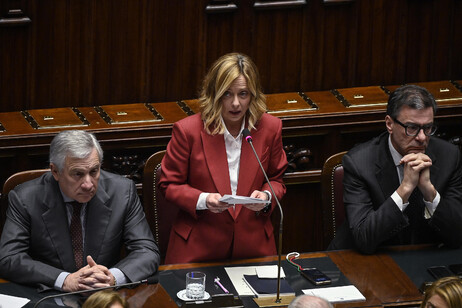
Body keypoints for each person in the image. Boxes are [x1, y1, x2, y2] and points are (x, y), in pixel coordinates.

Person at [158, 52, 288, 264]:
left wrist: (265, 197)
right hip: (197, 248)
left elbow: (276, 180)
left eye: (243, 94)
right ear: (214, 94)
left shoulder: (270, 128)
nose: (235, 103)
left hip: (254, 247)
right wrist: (203, 200)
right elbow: (169, 184)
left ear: (253, 95)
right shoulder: (187, 131)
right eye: (227, 94)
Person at [0, 130, 160, 291]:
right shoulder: (26, 198)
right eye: (78, 174)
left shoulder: (122, 192)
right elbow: (9, 258)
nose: (88, 184)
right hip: (50, 297)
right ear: (55, 171)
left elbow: (146, 251)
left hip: (105, 297)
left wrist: (112, 277)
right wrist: (64, 280)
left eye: (94, 171)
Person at [329, 84, 462, 253]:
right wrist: (405, 189)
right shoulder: (359, 163)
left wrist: (429, 192)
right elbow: (364, 238)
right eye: (412, 128)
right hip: (370, 261)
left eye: (428, 128)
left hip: (427, 261)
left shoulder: (449, 157)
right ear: (389, 124)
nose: (422, 138)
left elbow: (457, 236)